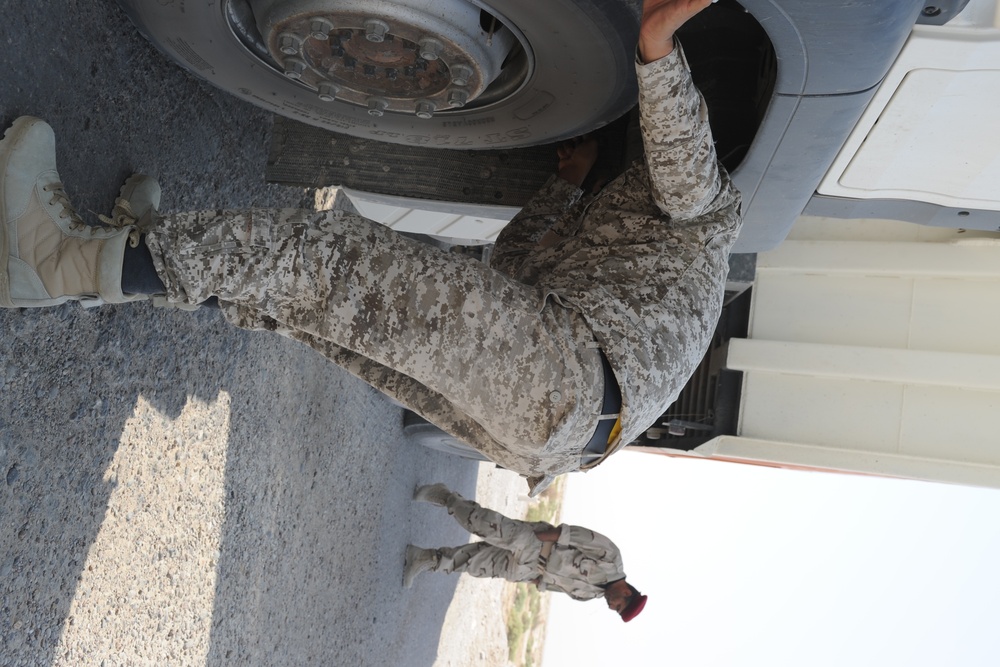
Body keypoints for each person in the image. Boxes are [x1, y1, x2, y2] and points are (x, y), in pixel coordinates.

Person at [0, 0, 740, 493]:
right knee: (318, 310)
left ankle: (53, 258)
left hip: (566, 388)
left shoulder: (712, 214)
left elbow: (687, 172)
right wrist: (566, 188)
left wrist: (655, 43)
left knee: (326, 261)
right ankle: (130, 248)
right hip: (555, 435)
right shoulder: (633, 277)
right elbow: (514, 268)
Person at [403, 483, 646, 622]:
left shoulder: (589, 595)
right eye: (617, 606)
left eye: (615, 609)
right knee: (484, 524)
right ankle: (445, 497)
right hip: (538, 544)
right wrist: (539, 536)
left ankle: (423, 558)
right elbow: (578, 535)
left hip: (528, 570)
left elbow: (554, 586)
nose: (611, 606)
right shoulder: (612, 558)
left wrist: (533, 579)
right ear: (626, 592)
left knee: (475, 563)